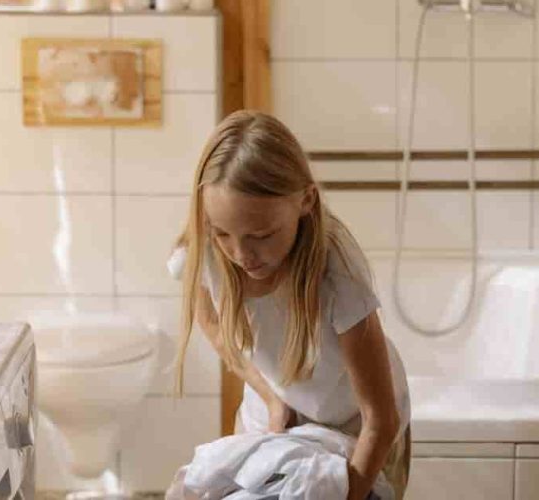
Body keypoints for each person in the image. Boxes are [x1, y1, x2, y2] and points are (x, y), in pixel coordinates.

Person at [171, 110, 411, 499]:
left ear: (305, 201)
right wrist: (271, 398)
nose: (241, 254)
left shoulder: (338, 276)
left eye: (262, 235)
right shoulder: (203, 251)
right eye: (222, 234)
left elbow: (380, 421)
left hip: (356, 427)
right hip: (275, 407)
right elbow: (215, 327)